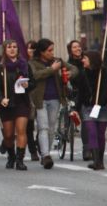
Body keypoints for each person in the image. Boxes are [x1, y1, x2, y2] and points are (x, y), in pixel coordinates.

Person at [29, 38, 74, 170]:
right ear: (42, 52)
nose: (51, 52)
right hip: (40, 99)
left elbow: (74, 69)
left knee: (52, 127)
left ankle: (45, 153)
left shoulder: (57, 61)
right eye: (49, 50)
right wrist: (52, 69)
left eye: (52, 50)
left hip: (55, 98)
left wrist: (69, 73)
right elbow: (36, 75)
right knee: (43, 127)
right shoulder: (33, 63)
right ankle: (46, 155)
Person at [0, 40, 33, 170]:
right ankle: (11, 156)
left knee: (21, 130)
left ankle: (20, 160)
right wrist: (1, 99)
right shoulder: (0, 67)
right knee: (9, 135)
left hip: (22, 102)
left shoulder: (25, 65)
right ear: (5, 50)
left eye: (15, 47)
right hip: (7, 104)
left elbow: (33, 83)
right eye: (9, 47)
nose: (12, 49)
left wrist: (27, 86)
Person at [75, 50, 107, 170]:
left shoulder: (103, 72)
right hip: (87, 108)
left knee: (100, 134)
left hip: (102, 107)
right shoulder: (82, 74)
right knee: (92, 132)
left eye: (84, 58)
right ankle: (96, 160)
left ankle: (100, 161)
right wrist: (76, 108)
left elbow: (105, 90)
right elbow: (80, 93)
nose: (82, 60)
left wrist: (99, 104)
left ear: (91, 59)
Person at [66, 40, 89, 160]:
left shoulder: (86, 60)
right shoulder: (69, 63)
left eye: (79, 46)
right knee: (84, 119)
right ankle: (86, 148)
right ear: (70, 50)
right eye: (74, 47)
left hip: (87, 93)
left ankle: (87, 148)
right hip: (75, 93)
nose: (77, 49)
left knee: (87, 121)